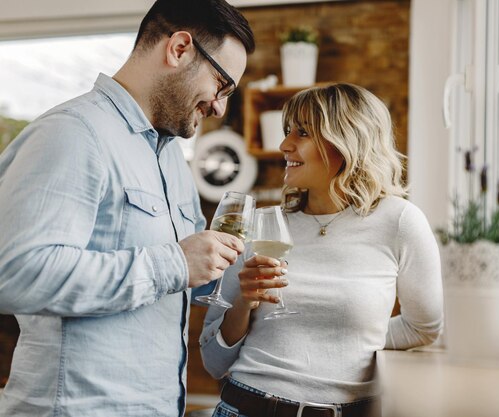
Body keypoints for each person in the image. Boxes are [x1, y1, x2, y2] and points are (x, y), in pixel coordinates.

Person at [0, 1, 266, 416]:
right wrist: (174, 264)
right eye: (222, 84)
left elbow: (187, 279)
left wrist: (237, 280)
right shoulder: (73, 133)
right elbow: (14, 274)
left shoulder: (172, 160)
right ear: (179, 48)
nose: (219, 107)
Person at [199, 83, 444, 417]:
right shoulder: (260, 224)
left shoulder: (400, 221)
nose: (285, 145)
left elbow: (424, 327)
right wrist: (244, 301)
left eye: (302, 133)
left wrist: (357, 338)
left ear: (346, 141)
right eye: (288, 132)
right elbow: (213, 361)